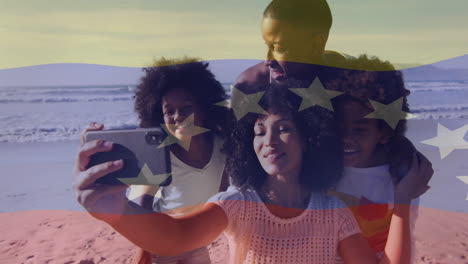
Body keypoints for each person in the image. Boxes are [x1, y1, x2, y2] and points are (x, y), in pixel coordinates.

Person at [74, 85, 421, 263]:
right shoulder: (238, 204)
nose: (268, 141)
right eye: (258, 130)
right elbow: (175, 236)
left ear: (309, 138)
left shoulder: (333, 213)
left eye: (283, 128)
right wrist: (115, 210)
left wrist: (403, 200)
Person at [75, 58, 230, 264]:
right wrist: (144, 249)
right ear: (158, 114)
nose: (177, 117)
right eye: (169, 111)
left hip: (196, 238)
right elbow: (143, 202)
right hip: (162, 239)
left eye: (186, 108)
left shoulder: (222, 146)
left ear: (203, 107)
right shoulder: (162, 153)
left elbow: (224, 193)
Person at [326, 55, 433, 262]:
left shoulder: (403, 175)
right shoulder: (324, 169)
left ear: (383, 131)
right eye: (339, 128)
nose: (347, 138)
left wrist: (404, 196)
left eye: (360, 130)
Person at [235, 0, 349, 93]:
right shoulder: (251, 85)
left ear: (316, 44)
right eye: (267, 45)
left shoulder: (353, 81)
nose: (268, 60)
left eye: (279, 48)